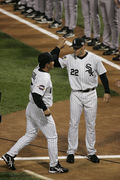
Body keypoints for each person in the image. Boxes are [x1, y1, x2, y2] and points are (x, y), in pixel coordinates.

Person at [2, 42, 69, 173]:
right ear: (47, 64)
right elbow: (37, 95)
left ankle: (9, 155)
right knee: (52, 137)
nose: (53, 62)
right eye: (51, 61)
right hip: (39, 109)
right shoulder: (44, 77)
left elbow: (49, 55)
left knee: (31, 134)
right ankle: (54, 165)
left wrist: (58, 48)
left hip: (30, 107)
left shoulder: (38, 67)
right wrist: (45, 109)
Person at [54, 37, 111, 163]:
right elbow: (54, 62)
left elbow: (103, 75)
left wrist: (107, 91)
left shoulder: (94, 59)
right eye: (73, 48)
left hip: (91, 95)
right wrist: (58, 48)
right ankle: (71, 152)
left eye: (77, 48)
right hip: (76, 95)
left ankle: (91, 152)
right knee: (73, 123)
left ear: (83, 47)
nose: (75, 51)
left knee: (91, 124)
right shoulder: (69, 59)